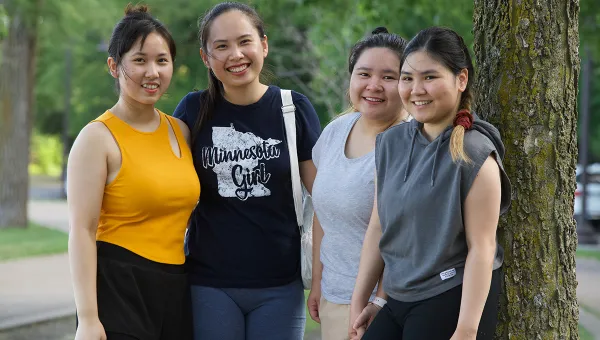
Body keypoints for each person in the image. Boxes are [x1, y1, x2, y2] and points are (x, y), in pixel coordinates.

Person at [349, 26, 512, 340]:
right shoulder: (392, 143)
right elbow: (379, 226)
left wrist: (466, 329)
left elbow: (483, 249)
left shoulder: (475, 154)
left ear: (460, 79)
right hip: (398, 299)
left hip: (448, 297)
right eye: (408, 78)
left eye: (430, 77)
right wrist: (366, 300)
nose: (416, 89)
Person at [172, 2, 321, 340]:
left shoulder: (293, 108)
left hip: (280, 286)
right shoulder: (192, 110)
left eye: (244, 42)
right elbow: (167, 185)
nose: (235, 55)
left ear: (263, 45)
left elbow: (325, 202)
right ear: (205, 57)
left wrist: (321, 281)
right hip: (208, 285)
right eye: (221, 47)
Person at [67, 4, 199, 340]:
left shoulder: (181, 131)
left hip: (175, 287)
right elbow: (81, 231)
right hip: (119, 288)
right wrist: (88, 318)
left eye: (162, 60)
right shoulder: (96, 138)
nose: (152, 72)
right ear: (114, 66)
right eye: (139, 60)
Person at [306, 27, 410, 340]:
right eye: (364, 73)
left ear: (407, 83)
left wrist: (378, 301)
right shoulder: (336, 131)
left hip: (383, 308)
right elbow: (323, 211)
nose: (373, 86)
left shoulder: (410, 143)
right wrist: (317, 282)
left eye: (389, 77)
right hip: (332, 297)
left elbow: (404, 239)